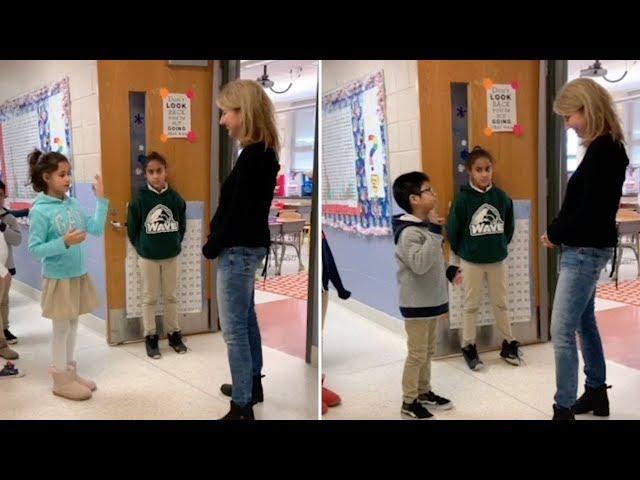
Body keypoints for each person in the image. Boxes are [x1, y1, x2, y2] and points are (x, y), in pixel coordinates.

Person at [542, 78, 628, 420]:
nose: (568, 125)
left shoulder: (605, 150)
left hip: (583, 252)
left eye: (569, 117)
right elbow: (583, 206)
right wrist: (559, 232)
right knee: (583, 322)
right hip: (585, 248)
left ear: (586, 108)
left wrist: (554, 233)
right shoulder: (604, 148)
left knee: (560, 331)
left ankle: (562, 408)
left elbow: (589, 211)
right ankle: (595, 392)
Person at [202, 80, 280, 420]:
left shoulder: (254, 157)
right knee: (246, 321)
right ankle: (251, 385)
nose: (223, 121)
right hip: (247, 247)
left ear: (243, 112)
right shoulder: (260, 152)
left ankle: (242, 406)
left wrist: (212, 244)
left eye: (226, 113)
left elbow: (238, 212)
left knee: (233, 330)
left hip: (237, 250)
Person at [27, 149, 108, 400]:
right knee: (61, 328)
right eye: (62, 174)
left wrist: (101, 201)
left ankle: (69, 373)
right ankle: (60, 380)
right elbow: (35, 249)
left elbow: (94, 229)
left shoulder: (72, 203)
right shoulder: (40, 211)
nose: (68, 179)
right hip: (59, 278)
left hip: (77, 275)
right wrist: (64, 241)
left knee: (73, 325)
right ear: (46, 177)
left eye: (69, 173)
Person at [392, 171, 462, 419]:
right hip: (417, 305)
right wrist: (434, 231)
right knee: (417, 354)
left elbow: (432, 262)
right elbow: (419, 264)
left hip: (431, 303)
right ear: (414, 199)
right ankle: (408, 401)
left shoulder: (423, 228)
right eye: (428, 190)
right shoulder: (409, 233)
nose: (434, 194)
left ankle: (423, 391)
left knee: (428, 351)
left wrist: (449, 270)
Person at [447, 146, 521, 370]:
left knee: (502, 303)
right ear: (470, 171)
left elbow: (508, 228)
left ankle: (508, 343)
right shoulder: (462, 200)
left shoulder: (501, 197)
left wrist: (497, 247)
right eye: (478, 169)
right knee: (471, 305)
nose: (484, 174)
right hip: (471, 262)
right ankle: (468, 345)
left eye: (487, 169)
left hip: (497, 260)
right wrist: (466, 252)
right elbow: (453, 231)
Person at [127, 151, 187, 359]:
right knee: (150, 297)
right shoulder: (140, 200)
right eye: (151, 172)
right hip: (148, 258)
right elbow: (132, 229)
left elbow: (182, 225)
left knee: (171, 296)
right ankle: (151, 336)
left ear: (166, 172)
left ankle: (174, 334)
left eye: (159, 171)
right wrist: (142, 246)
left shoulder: (175, 198)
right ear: (145, 175)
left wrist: (174, 243)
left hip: (172, 256)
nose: (155, 176)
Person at [320, 231, 350, 415]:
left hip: (322, 289)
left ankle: (319, 381)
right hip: (313, 289)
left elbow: (327, 256)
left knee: (319, 335)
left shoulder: (320, 231)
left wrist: (339, 287)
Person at [0, 180, 24, 344]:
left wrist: (3, 228)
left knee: (3, 300)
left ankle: (4, 329)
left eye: (0, 195)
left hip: (5, 267)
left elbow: (17, 240)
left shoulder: (8, 217)